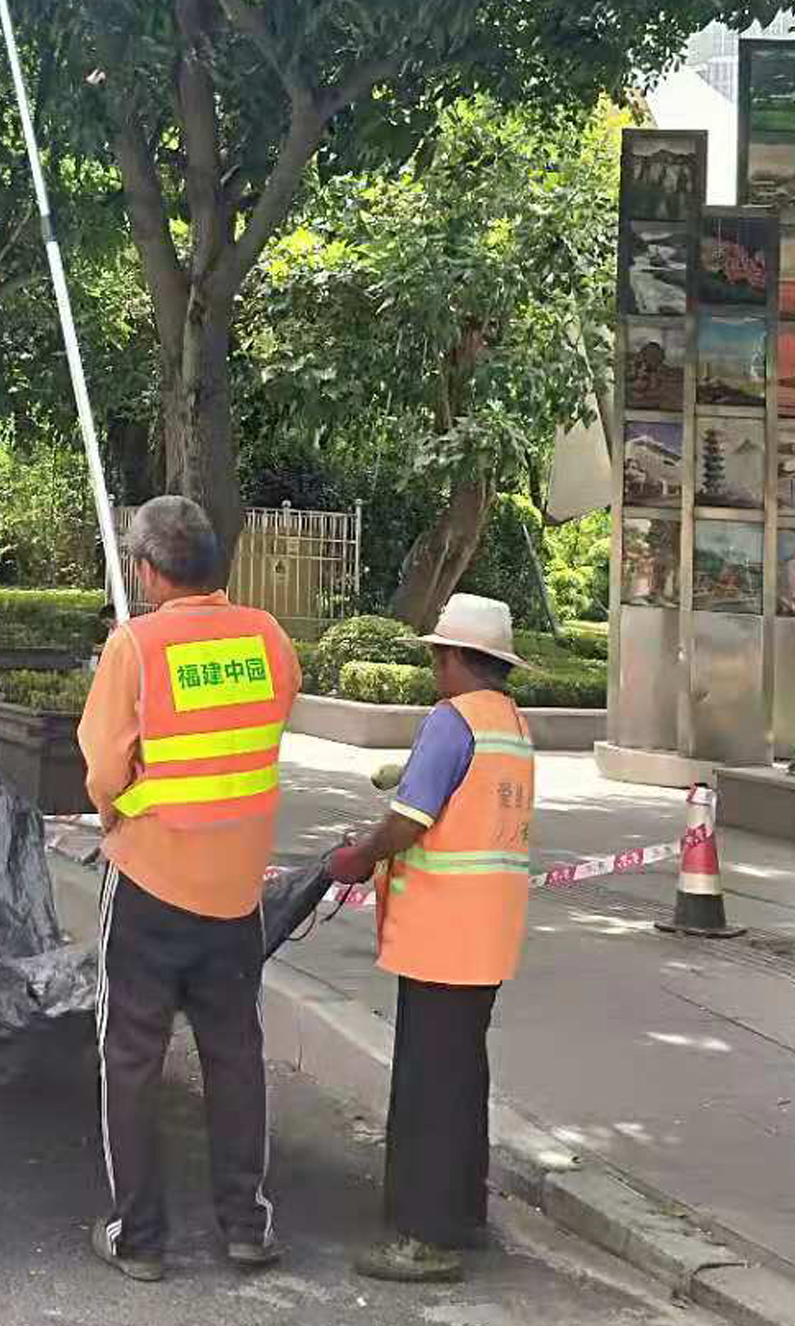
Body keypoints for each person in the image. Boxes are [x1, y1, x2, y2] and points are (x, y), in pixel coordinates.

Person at [77, 495, 299, 1283]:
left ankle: (140, 1238)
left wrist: (118, 812)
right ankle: (245, 1225)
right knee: (234, 1055)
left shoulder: (134, 647)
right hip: (237, 888)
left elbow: (105, 771)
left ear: (146, 572)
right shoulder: (269, 638)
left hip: (149, 879)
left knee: (131, 1055)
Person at [326, 592, 535, 1285]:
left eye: (437, 657)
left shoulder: (451, 722)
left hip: (443, 931)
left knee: (427, 1084)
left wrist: (359, 856)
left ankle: (425, 1236)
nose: (434, 671)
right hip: (489, 931)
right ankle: (463, 1215)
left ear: (454, 659)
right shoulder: (511, 723)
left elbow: (409, 822)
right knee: (462, 1075)